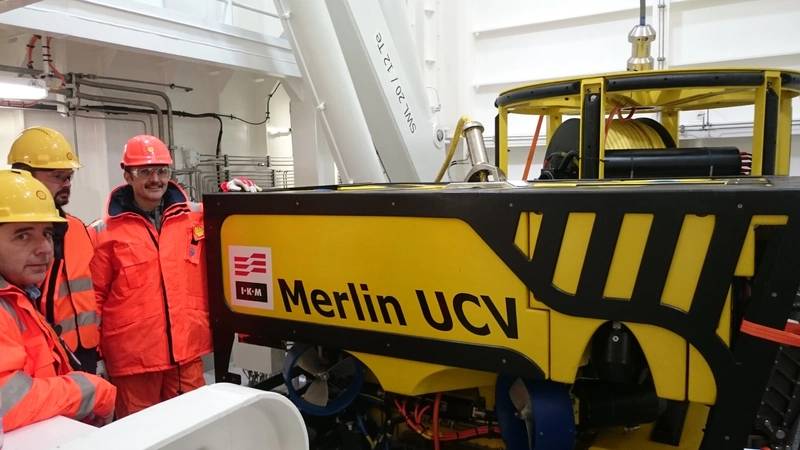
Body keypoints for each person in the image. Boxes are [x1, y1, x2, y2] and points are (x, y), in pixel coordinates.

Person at [89, 135, 211, 418]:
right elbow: (93, 297)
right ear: (127, 175)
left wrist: (236, 194)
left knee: (195, 429)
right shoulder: (104, 233)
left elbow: (231, 217)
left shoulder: (193, 218)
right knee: (140, 437)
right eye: (144, 171)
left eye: (162, 171)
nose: (155, 179)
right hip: (133, 363)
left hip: (186, 354)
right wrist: (93, 355)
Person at [0, 169, 115, 432]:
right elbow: (6, 402)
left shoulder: (19, 296)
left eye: (48, 234)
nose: (44, 248)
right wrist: (91, 392)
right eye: (23, 235)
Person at [7, 126, 101, 375]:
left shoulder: (78, 228)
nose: (67, 184)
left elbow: (93, 292)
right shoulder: (10, 239)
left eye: (69, 176)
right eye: (58, 176)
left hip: (85, 351)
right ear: (25, 175)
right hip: (41, 359)